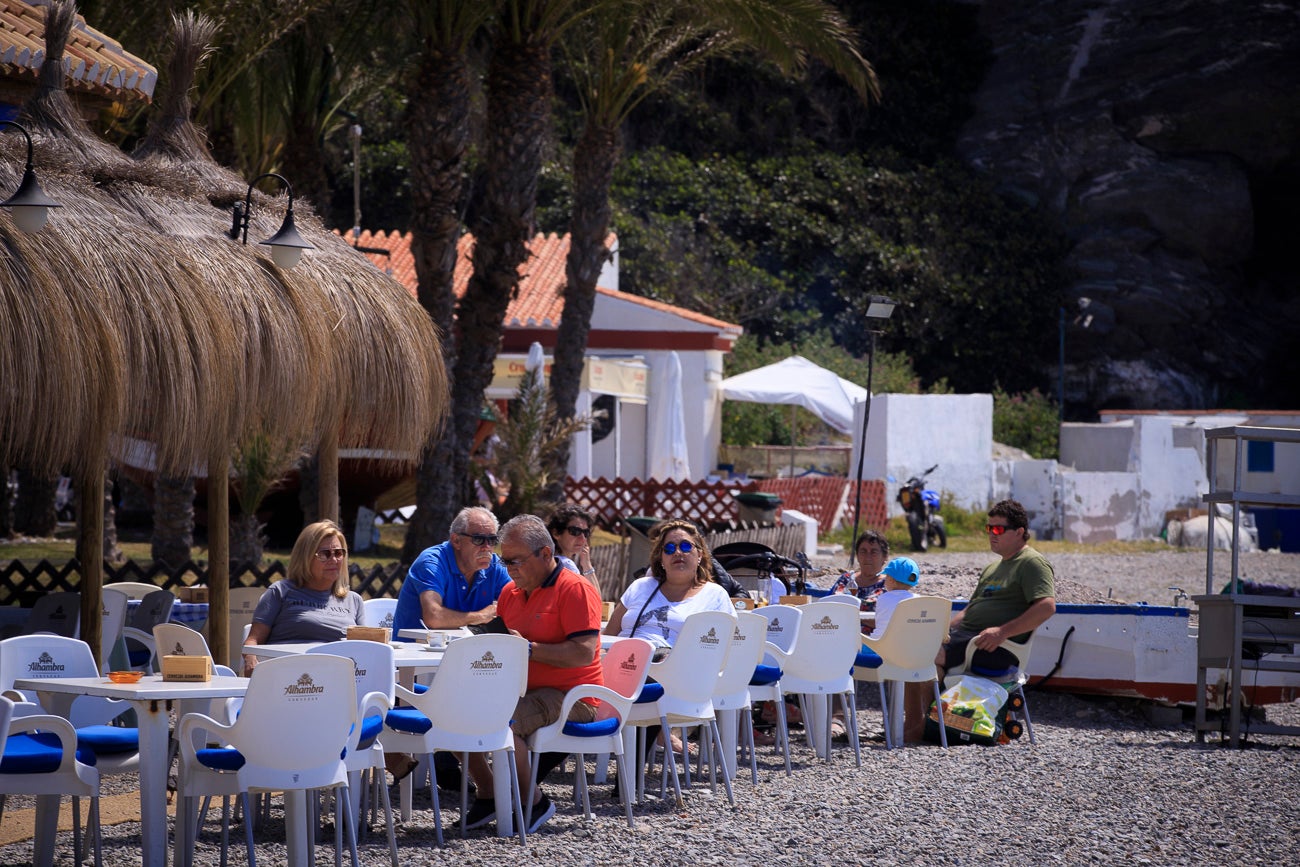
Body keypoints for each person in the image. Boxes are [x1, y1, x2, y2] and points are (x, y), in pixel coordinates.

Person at [464, 514, 604, 834]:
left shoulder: (575, 589)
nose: (509, 569)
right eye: (504, 561)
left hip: (573, 694)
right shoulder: (510, 593)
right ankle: (488, 794)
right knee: (457, 712)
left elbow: (583, 652)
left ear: (545, 554)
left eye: (515, 561)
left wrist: (527, 649)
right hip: (523, 689)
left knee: (502, 721)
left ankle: (534, 801)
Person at [937, 499, 1056, 678]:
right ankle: (929, 706)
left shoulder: (1031, 562)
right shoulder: (991, 568)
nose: (992, 534)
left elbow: (1046, 607)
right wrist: (941, 632)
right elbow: (969, 610)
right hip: (965, 639)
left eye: (998, 529)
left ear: (1019, 532)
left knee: (920, 655)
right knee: (923, 660)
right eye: (989, 528)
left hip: (993, 646)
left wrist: (1001, 632)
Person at [242, 520, 363, 676]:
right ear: (305, 557)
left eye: (338, 553)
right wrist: (251, 661)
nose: (334, 560)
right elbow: (253, 641)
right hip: (287, 677)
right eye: (325, 554)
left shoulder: (354, 600)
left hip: (337, 678)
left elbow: (364, 648)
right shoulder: (280, 592)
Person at [604, 519, 736, 649]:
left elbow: (727, 648)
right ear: (661, 558)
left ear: (700, 555)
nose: (677, 552)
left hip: (672, 666)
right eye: (669, 548)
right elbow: (609, 635)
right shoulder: (640, 586)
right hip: (622, 660)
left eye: (685, 546)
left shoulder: (715, 595)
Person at [393, 506, 512, 634]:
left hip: (464, 649)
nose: (487, 547)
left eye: (492, 540)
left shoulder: (495, 566)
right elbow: (434, 617)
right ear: (456, 541)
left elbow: (518, 602)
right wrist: (481, 616)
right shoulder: (432, 562)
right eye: (478, 539)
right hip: (415, 649)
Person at [546, 503, 601, 591]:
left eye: (586, 532)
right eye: (575, 531)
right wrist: (587, 565)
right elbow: (594, 600)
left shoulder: (544, 561)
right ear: (556, 533)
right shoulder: (566, 565)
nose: (582, 538)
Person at [829, 530, 889, 607]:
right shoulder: (846, 580)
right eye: (863, 552)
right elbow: (828, 603)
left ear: (885, 556)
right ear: (857, 555)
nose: (868, 557)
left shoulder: (889, 584)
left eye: (874, 552)